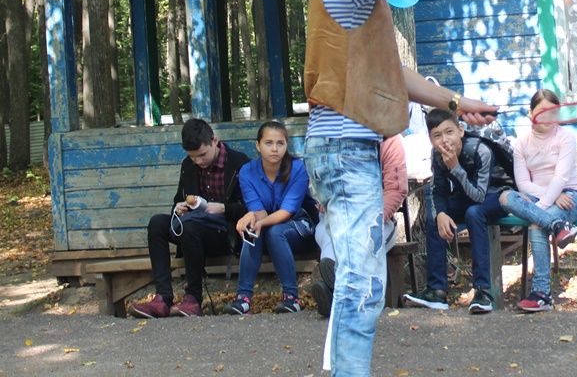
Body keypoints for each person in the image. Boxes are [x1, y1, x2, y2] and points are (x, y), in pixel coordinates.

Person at [300, 0, 573, 377]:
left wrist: (454, 100)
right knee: (364, 283)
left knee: (359, 278)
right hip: (343, 146)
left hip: (341, 146)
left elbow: (392, 74)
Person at [131, 118, 251, 318]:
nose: (199, 161)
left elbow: (252, 209)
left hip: (226, 233)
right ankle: (163, 298)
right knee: (157, 224)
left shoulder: (239, 163)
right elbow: (179, 199)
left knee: (190, 227)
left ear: (214, 140)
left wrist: (223, 209)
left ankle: (193, 298)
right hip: (192, 230)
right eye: (193, 157)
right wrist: (178, 209)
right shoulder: (188, 165)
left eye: (202, 155)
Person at [403, 108, 512, 314]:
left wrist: (455, 167)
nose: (444, 140)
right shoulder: (437, 154)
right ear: (430, 139)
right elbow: (439, 189)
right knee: (435, 218)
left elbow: (480, 196)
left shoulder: (480, 150)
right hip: (468, 196)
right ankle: (437, 291)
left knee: (474, 213)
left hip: (498, 195)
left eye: (449, 132)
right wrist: (442, 213)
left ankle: (483, 291)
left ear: (461, 131)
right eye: (437, 135)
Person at [498, 89, 577, 312]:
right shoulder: (521, 144)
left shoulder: (565, 137)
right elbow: (524, 184)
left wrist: (539, 209)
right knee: (506, 197)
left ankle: (542, 293)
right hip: (539, 197)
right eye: (541, 111)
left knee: (537, 224)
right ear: (530, 113)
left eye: (552, 112)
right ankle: (557, 226)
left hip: (569, 196)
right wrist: (546, 202)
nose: (546, 117)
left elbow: (561, 178)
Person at [310, 134, 408, 318]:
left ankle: (335, 293)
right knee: (326, 231)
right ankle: (339, 291)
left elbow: (396, 190)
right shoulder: (333, 136)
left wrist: (371, 219)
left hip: (377, 218)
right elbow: (322, 184)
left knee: (366, 239)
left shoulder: (389, 139)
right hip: (339, 214)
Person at [228, 120, 318, 315]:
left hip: (300, 228)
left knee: (274, 230)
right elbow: (259, 211)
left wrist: (258, 220)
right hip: (268, 229)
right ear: (257, 145)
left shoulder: (297, 168)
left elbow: (288, 211)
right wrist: (253, 218)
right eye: (269, 143)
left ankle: (291, 298)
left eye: (280, 143)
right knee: (254, 230)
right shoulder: (247, 172)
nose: (275, 149)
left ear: (287, 145)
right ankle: (243, 298)